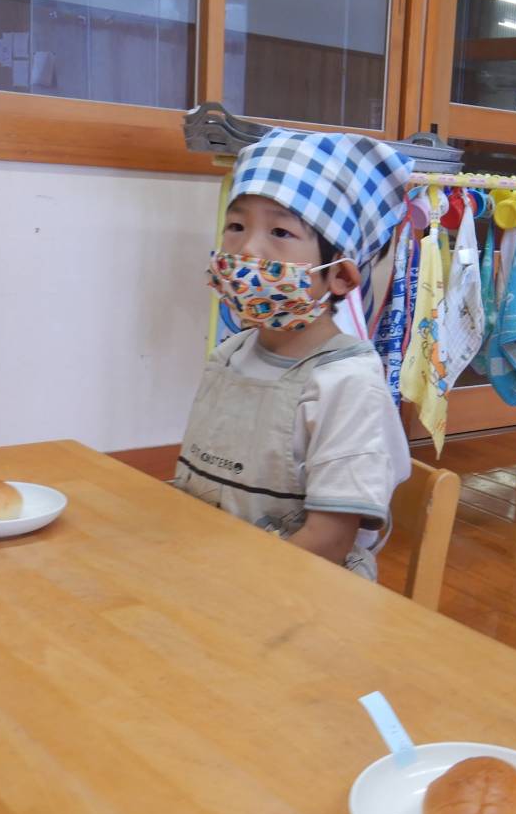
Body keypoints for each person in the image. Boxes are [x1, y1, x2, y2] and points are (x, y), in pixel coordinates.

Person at [172, 128, 412, 580]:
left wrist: (229, 585)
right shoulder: (229, 354)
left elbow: (329, 540)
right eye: (236, 226)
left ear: (340, 277)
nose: (247, 248)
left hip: (296, 590)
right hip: (208, 567)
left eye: (280, 231)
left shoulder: (347, 384)